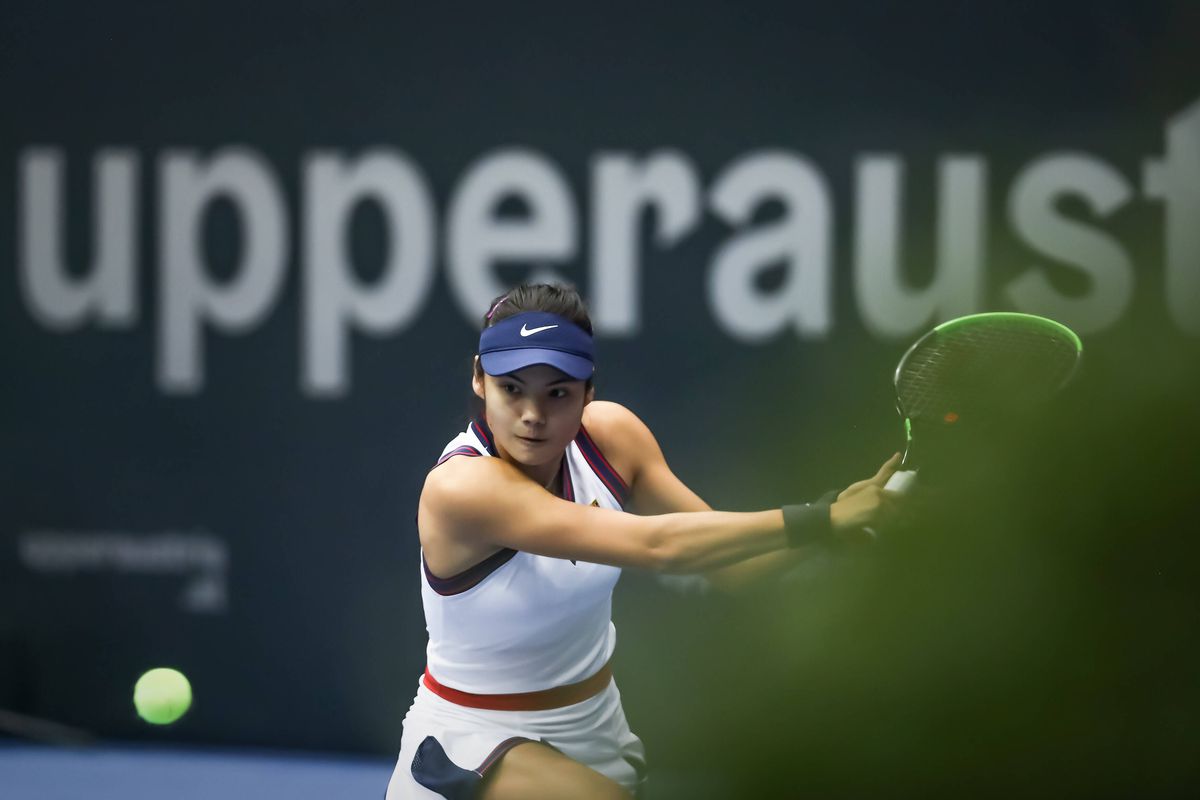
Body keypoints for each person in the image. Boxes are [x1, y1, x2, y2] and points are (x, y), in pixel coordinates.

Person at [386, 284, 900, 800]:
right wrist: (821, 520)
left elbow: (730, 565)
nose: (532, 415)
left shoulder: (613, 438)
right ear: (479, 379)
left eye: (557, 392)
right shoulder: (462, 488)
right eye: (512, 388)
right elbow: (661, 546)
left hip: (595, 729)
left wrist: (842, 529)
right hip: (472, 743)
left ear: (588, 392)